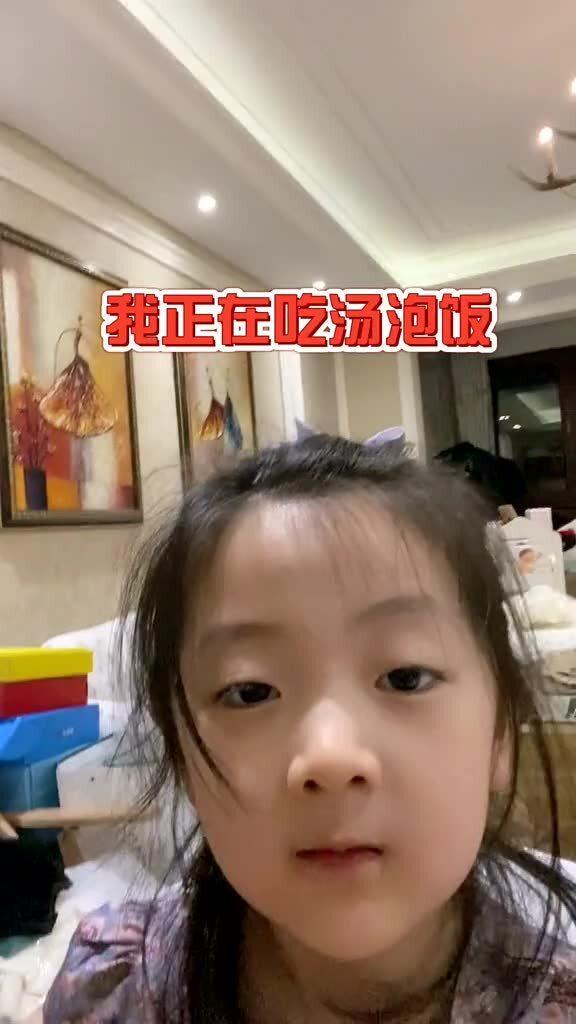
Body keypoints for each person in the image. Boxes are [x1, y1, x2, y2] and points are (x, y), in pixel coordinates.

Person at [43, 435, 576, 1023]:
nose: (329, 756)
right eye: (250, 692)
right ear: (180, 752)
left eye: (405, 678)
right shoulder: (116, 997)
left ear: (501, 730)